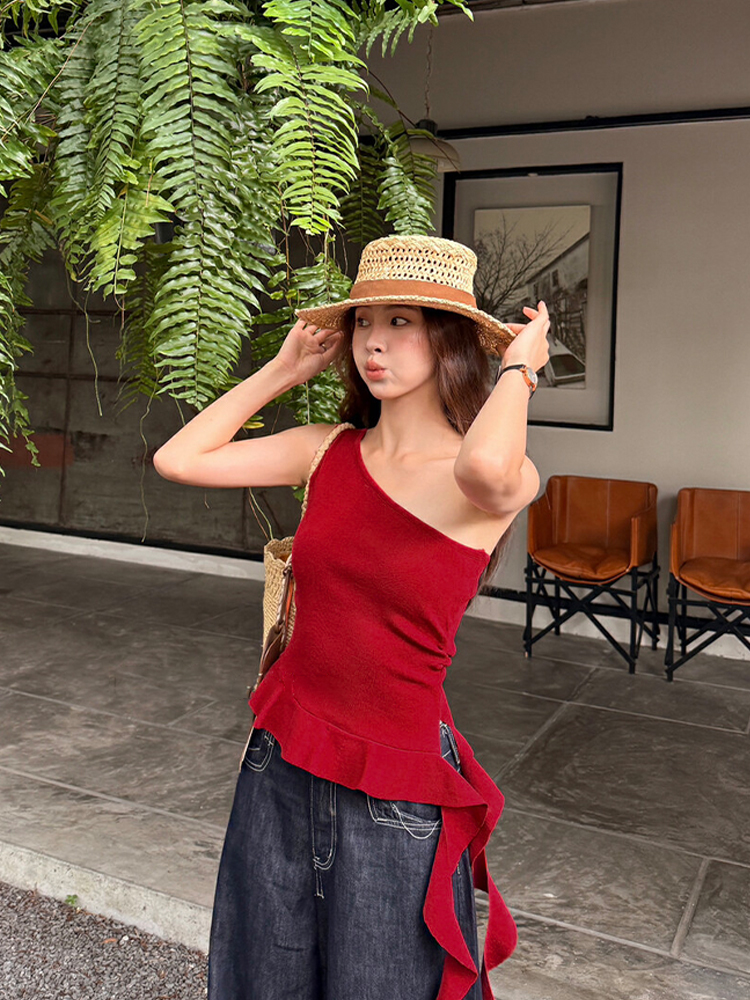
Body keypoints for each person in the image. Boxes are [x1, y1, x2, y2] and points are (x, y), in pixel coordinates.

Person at [153, 235, 550, 1000]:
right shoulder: (325, 449)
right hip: (281, 757)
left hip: (393, 792)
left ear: (450, 341)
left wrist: (520, 367)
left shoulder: (489, 478)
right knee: (259, 979)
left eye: (402, 322)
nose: (373, 341)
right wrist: (282, 370)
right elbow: (180, 459)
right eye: (365, 321)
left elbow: (484, 465)